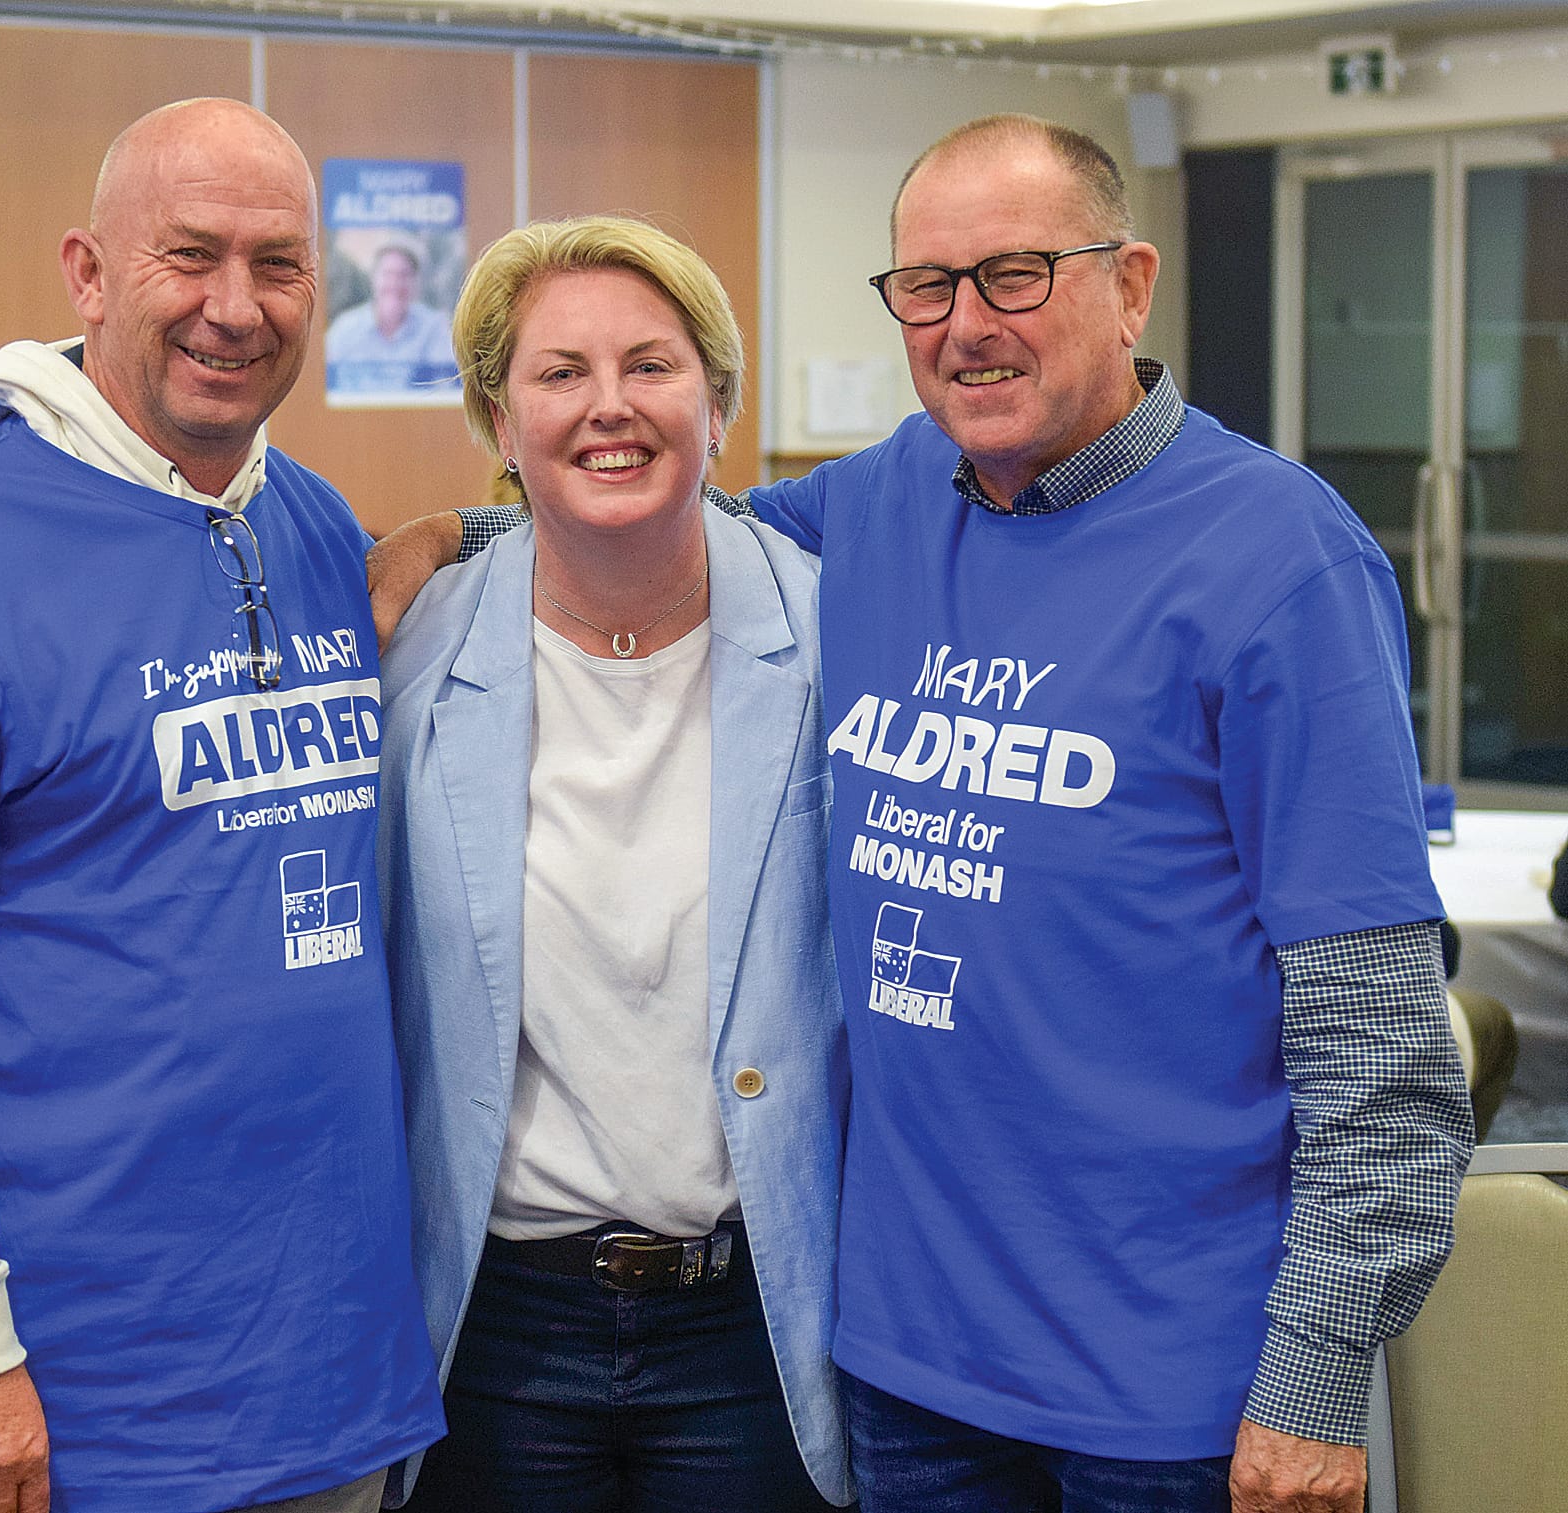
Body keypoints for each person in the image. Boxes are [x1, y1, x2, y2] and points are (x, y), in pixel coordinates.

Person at [369, 114, 1474, 1513]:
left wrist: (1315, 1377)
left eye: (1017, 274)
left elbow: (1377, 1037)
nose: (968, 324)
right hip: (904, 1377)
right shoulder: (889, 503)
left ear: (1131, 284)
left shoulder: (1278, 557)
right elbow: (656, 517)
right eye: (928, 286)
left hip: (1177, 1396)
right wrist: (440, 544)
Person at [0, 98, 442, 1513]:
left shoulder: (308, 524)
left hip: (325, 1382)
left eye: (279, 265)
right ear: (86, 272)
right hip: (63, 1408)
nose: (235, 309)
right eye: (188, 256)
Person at [378, 216, 851, 1512]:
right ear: (496, 412)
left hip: (755, 1322)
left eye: (651, 365)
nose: (609, 408)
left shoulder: (834, 635)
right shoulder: (410, 649)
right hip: (498, 1326)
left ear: (717, 397)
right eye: (559, 372)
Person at [325, 242, 456, 392]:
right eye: (387, 274)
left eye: (403, 275)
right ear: (373, 279)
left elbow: (446, 389)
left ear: (415, 283)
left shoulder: (435, 328)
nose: (394, 283)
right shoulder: (344, 329)